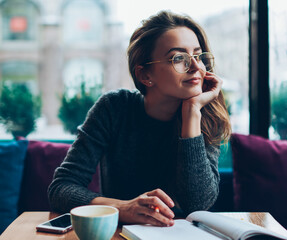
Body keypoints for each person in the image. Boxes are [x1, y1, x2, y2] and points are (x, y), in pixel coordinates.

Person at [48, 10, 231, 227]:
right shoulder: (114, 108)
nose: (195, 67)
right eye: (178, 58)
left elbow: (198, 204)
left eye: (198, 56)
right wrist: (122, 208)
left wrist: (192, 112)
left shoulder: (206, 114)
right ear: (145, 75)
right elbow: (61, 188)